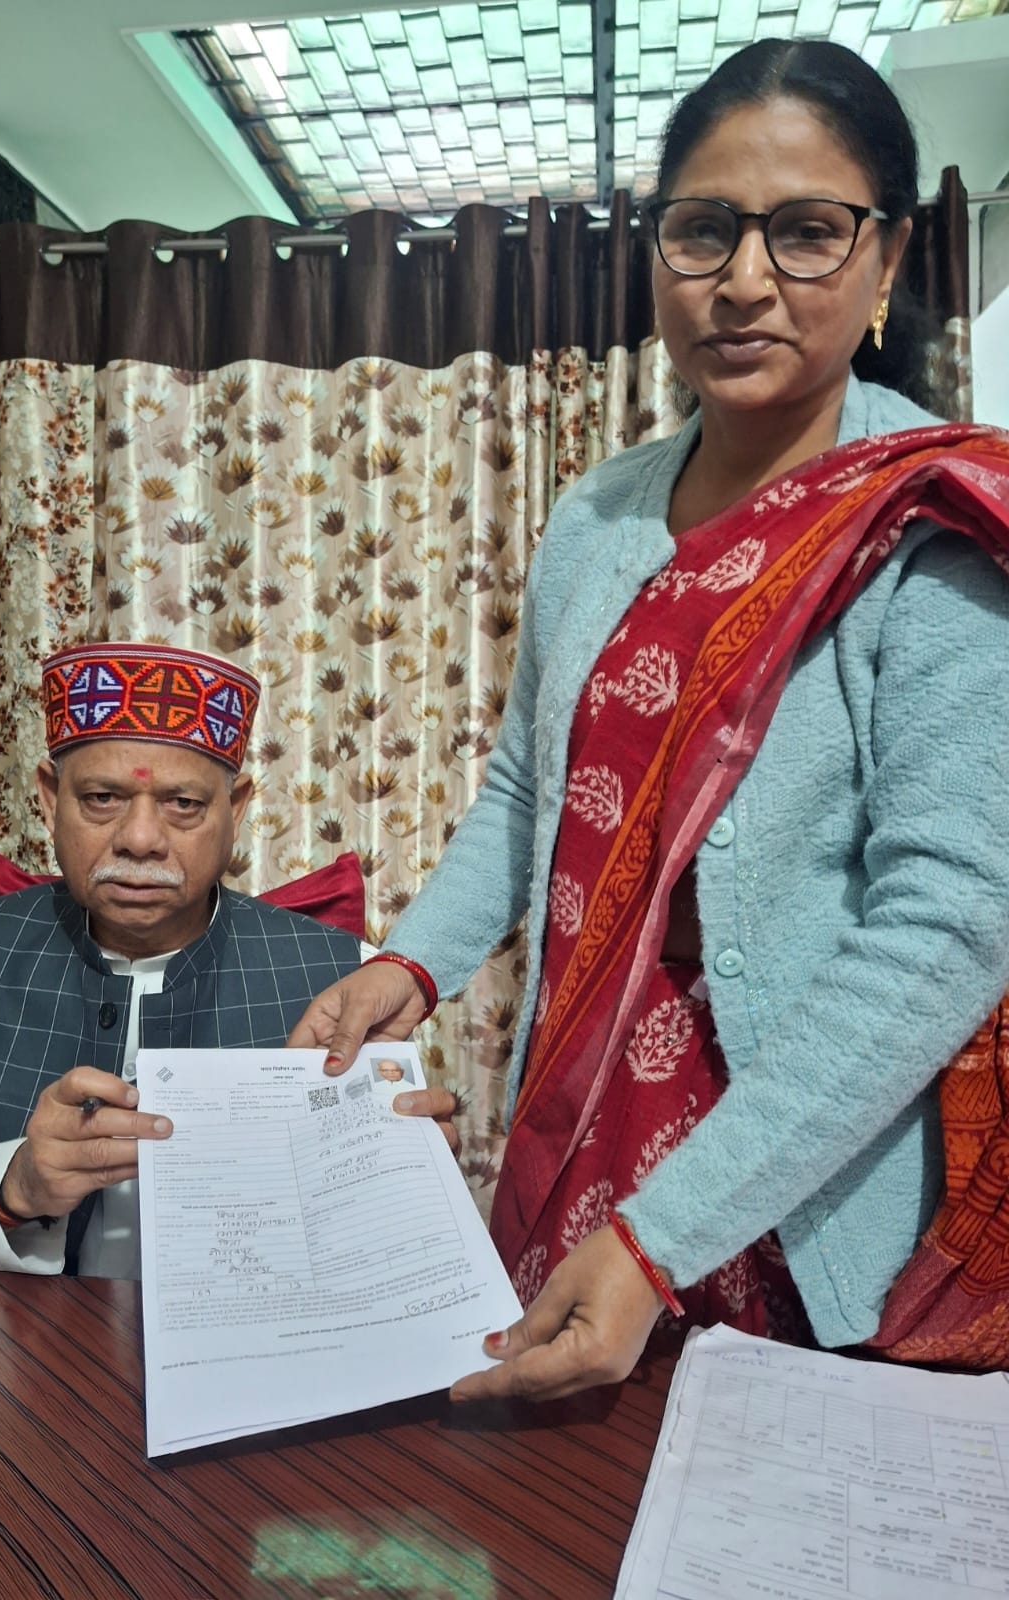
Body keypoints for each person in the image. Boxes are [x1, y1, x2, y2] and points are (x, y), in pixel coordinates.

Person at [291, 38, 1009, 1399]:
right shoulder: (598, 515)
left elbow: (949, 928)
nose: (745, 281)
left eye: (808, 231)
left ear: (889, 258)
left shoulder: (934, 528)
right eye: (704, 228)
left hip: (800, 1191)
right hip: (584, 1129)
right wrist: (412, 967)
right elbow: (529, 790)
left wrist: (660, 1239)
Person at [0, 642, 453, 1283]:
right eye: (101, 798)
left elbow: (383, 1257)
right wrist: (13, 1186)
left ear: (237, 809)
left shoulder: (346, 976)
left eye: (184, 804)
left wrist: (405, 1185)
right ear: (49, 798)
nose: (140, 840)